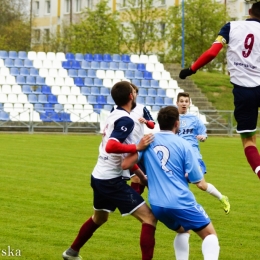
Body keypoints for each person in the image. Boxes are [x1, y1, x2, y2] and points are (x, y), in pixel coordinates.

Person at [62, 81, 157, 260]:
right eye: (133, 92)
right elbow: (112, 146)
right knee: (149, 219)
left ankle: (72, 252)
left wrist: (141, 176)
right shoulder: (126, 120)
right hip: (111, 180)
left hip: (99, 175)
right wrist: (137, 146)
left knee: (99, 218)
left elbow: (121, 157)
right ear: (131, 96)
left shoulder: (114, 115)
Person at [122, 106, 220, 260]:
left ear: (159, 123)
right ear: (177, 123)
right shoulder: (183, 145)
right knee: (210, 235)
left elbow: (126, 164)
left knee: (183, 230)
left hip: (157, 205)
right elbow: (198, 181)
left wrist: (142, 170)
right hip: (181, 201)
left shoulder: (148, 141)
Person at [179, 1, 260, 179]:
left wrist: (191, 69)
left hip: (243, 91)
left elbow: (212, 53)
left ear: (249, 11)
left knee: (248, 140)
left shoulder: (231, 27)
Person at [176, 92, 230, 214]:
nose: (184, 103)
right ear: (177, 103)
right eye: (182, 101)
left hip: (193, 156)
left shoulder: (194, 119)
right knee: (179, 182)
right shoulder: (173, 118)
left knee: (201, 185)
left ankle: (222, 198)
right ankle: (184, 209)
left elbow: (204, 133)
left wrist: (203, 137)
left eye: (186, 101)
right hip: (178, 156)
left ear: (189, 104)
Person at [129, 84, 155, 195]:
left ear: (136, 94)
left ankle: (135, 201)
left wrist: (146, 121)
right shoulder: (116, 108)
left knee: (143, 179)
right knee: (135, 178)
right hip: (126, 149)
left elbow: (152, 124)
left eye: (134, 92)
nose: (132, 94)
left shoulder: (141, 108)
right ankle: (133, 202)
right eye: (130, 92)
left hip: (140, 148)